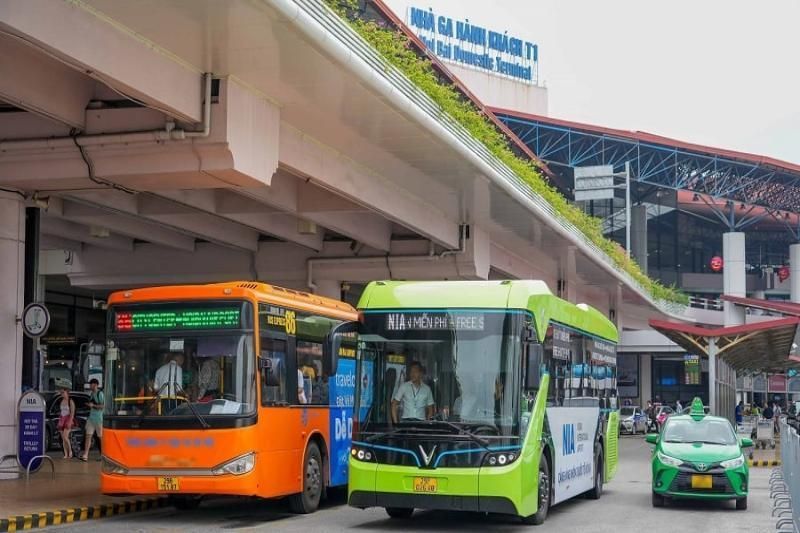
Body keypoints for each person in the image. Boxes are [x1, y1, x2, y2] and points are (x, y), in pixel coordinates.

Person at [81, 379, 103, 461]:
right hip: (91, 418)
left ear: (95, 385)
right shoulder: (92, 394)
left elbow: (102, 406)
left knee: (100, 437)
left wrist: (93, 405)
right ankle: (85, 454)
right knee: (88, 436)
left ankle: (103, 454)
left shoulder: (100, 394)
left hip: (99, 419)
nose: (90, 386)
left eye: (91, 384)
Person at [56, 388, 76, 459]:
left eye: (63, 393)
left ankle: (70, 451)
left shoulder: (70, 401)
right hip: (62, 418)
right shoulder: (61, 401)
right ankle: (66, 454)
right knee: (63, 438)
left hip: (68, 419)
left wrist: (70, 421)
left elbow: (72, 413)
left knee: (65, 436)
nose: (62, 394)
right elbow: (61, 411)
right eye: (61, 393)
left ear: (67, 393)